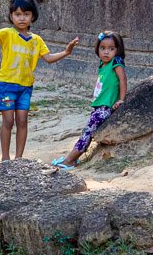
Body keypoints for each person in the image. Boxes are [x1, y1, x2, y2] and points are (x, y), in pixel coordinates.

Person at [0, 0, 79, 160]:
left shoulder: (36, 40)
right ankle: (5, 158)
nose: (22, 18)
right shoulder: (7, 33)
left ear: (32, 17)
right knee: (8, 121)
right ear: (11, 16)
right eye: (18, 14)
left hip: (25, 88)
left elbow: (48, 58)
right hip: (6, 85)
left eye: (26, 14)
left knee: (22, 120)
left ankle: (19, 158)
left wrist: (66, 52)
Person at [51, 31, 128, 169]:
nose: (106, 52)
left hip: (105, 107)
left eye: (111, 49)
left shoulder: (116, 62)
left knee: (87, 132)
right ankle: (73, 159)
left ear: (118, 50)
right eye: (102, 48)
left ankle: (70, 159)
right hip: (98, 107)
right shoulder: (102, 65)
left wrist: (121, 99)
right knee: (87, 131)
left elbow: (122, 80)